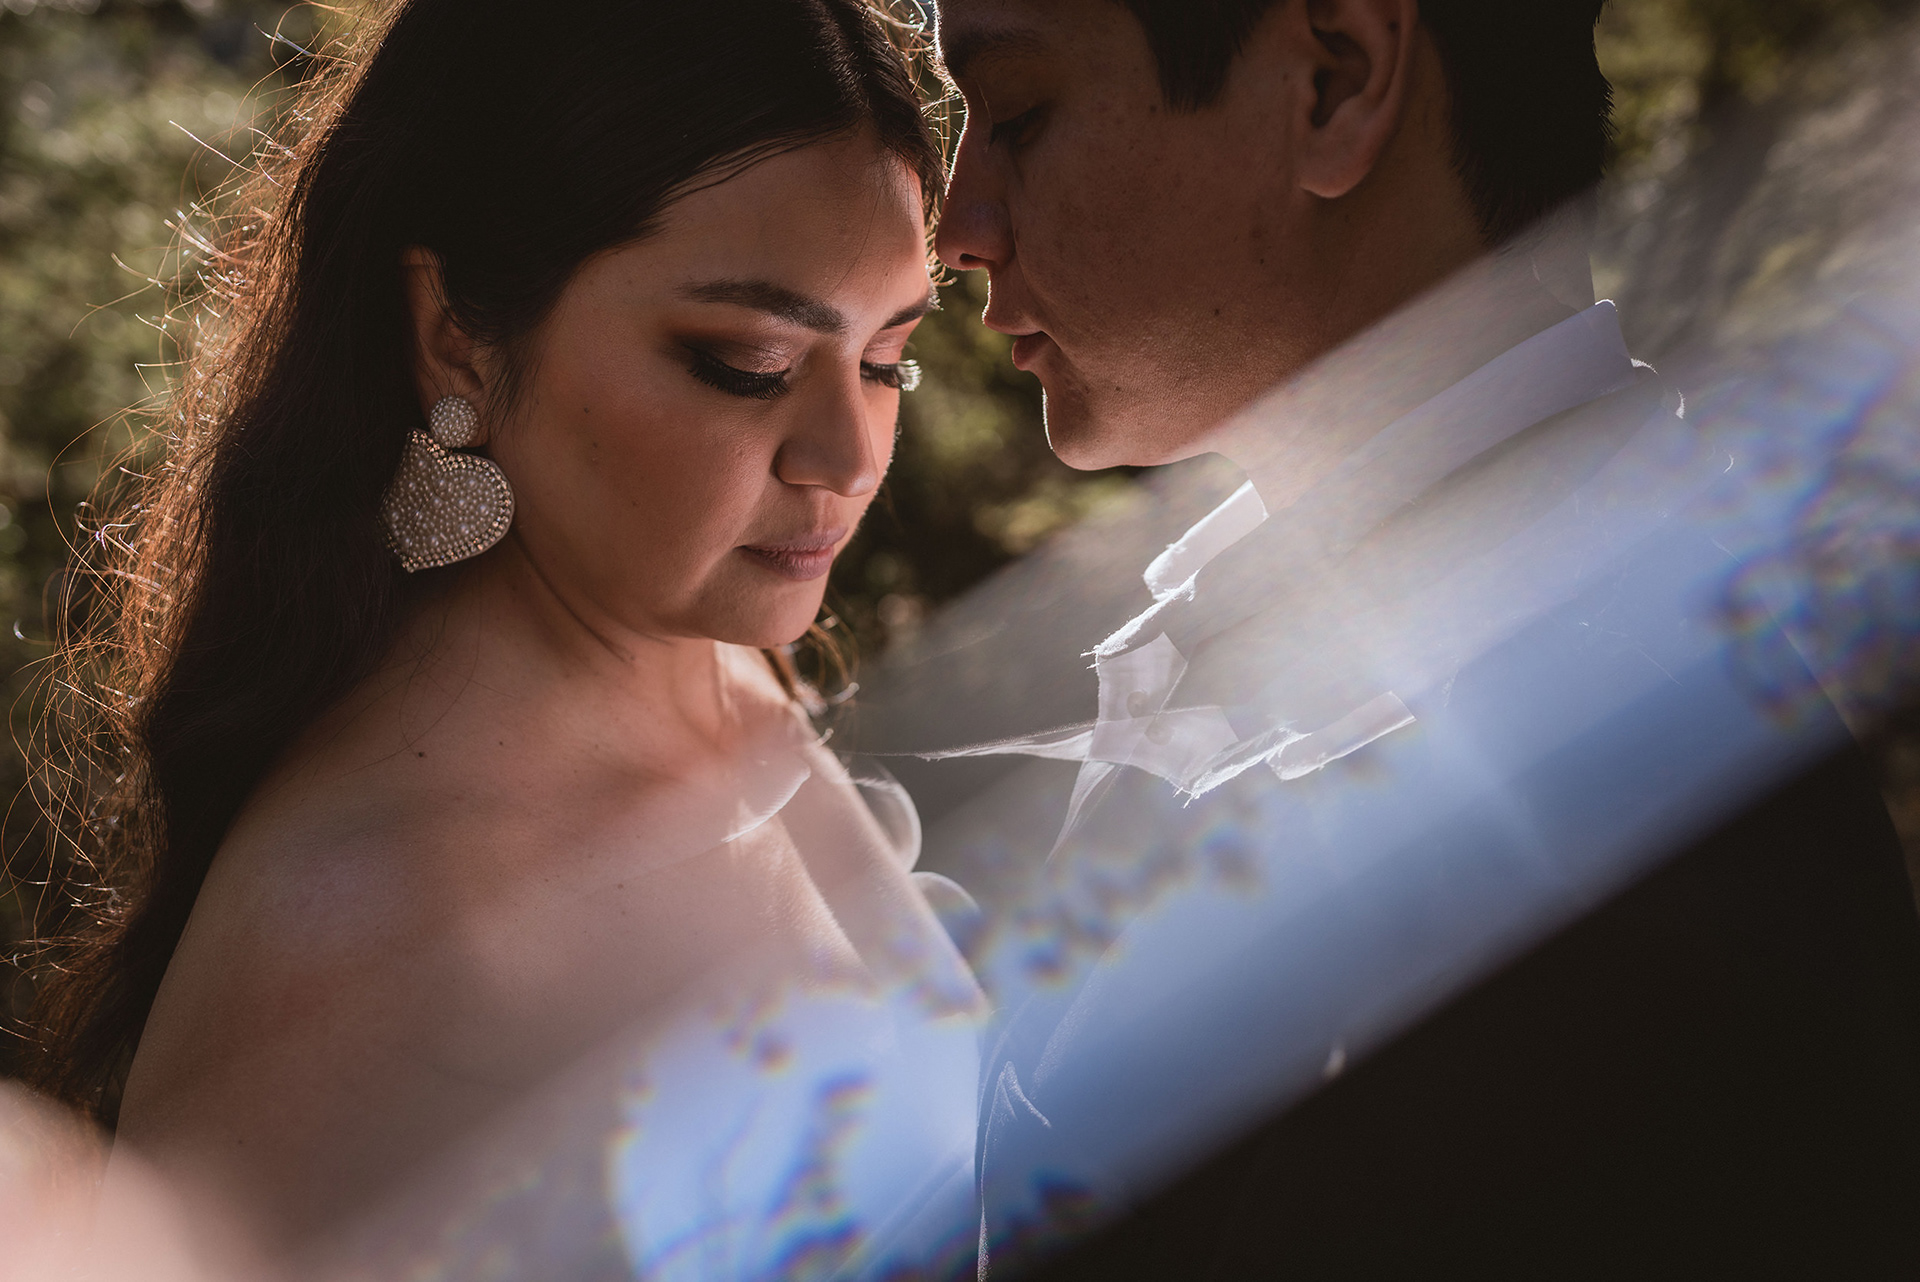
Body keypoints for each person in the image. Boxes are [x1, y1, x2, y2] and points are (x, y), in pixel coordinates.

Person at [924, 0, 1920, 1274]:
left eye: (1018, 114)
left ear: (1334, 82)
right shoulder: (1345, 643)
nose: (956, 227)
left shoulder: (1595, 860)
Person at [20, 0, 983, 1264]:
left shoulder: (712, 656)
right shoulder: (365, 935)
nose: (850, 458)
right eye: (747, 364)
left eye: (888, 361)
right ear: (456, 336)